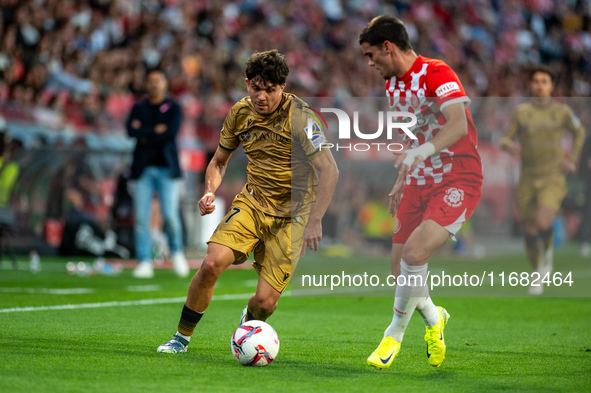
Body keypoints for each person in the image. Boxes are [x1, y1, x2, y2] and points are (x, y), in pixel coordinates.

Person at [155, 50, 339, 354]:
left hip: (292, 216)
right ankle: (181, 338)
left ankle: (249, 324)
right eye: (256, 88)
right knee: (212, 263)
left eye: (270, 89)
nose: (262, 96)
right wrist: (210, 190)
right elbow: (218, 162)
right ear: (247, 84)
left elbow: (329, 169)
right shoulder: (239, 113)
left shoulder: (303, 119)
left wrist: (316, 220)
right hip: (253, 202)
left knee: (265, 303)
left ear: (282, 87)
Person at [359, 16, 483, 369]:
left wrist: (424, 151)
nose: (369, 63)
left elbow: (458, 123)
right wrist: (405, 170)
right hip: (419, 179)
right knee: (400, 270)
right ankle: (434, 317)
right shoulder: (392, 85)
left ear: (388, 47)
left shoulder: (437, 72)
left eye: (371, 55)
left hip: (457, 177)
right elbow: (414, 130)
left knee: (415, 255)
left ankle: (392, 335)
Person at [501, 66, 585, 294]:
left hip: (553, 177)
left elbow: (580, 132)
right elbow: (506, 138)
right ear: (530, 84)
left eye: (544, 81)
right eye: (536, 81)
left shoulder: (562, 111)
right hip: (528, 177)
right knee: (529, 230)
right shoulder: (521, 112)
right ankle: (536, 270)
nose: (539, 85)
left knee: (543, 221)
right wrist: (508, 144)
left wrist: (573, 159)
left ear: (551, 86)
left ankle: (545, 262)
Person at [126, 70, 189, 278]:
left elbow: (170, 133)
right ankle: (144, 260)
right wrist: (156, 130)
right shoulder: (138, 106)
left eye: (158, 81)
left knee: (170, 215)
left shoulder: (174, 107)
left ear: (164, 84)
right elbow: (130, 131)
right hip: (143, 168)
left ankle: (177, 252)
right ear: (146, 84)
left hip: (166, 168)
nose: (154, 85)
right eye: (150, 81)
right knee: (141, 217)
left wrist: (144, 132)